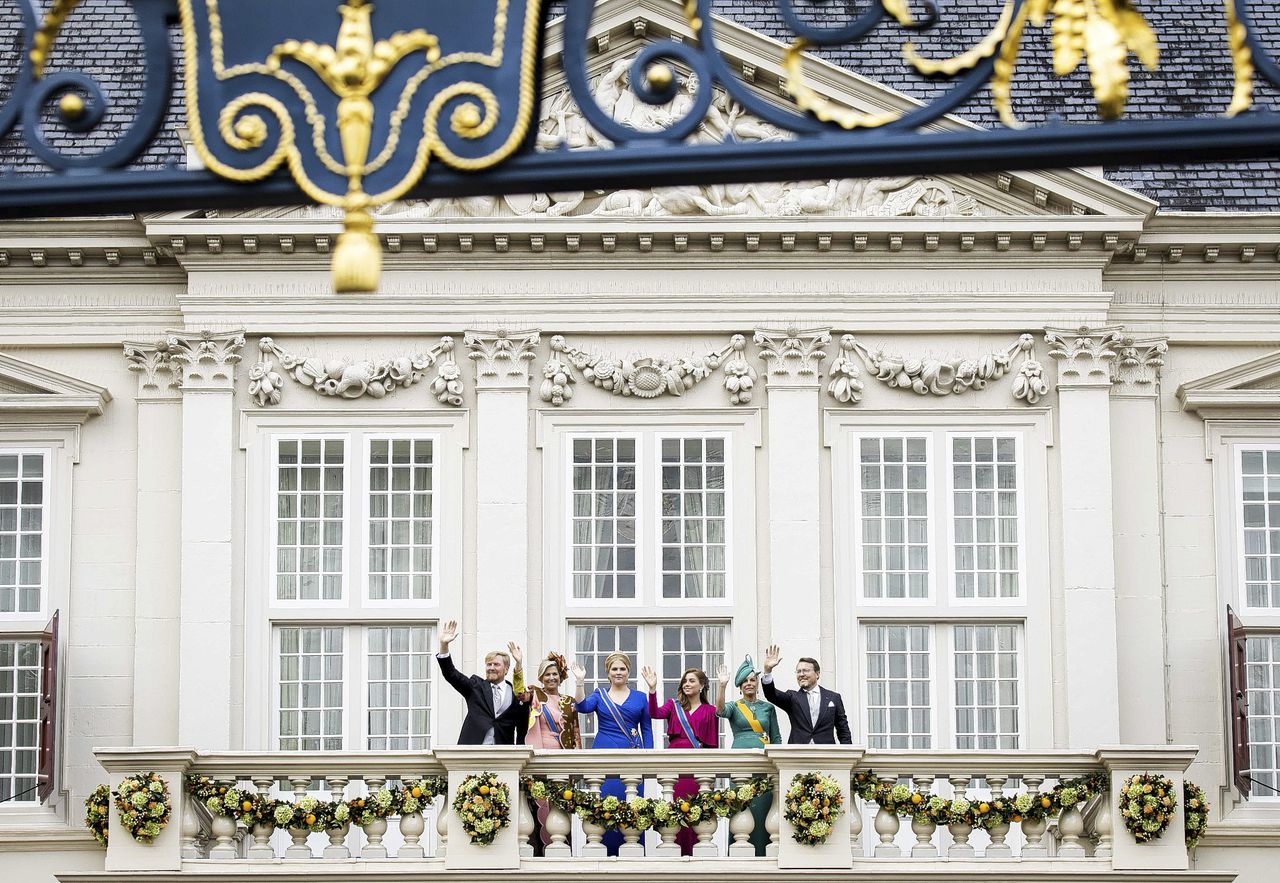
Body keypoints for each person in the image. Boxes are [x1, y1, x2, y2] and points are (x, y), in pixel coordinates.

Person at [573, 652, 652, 856]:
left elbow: (647, 730)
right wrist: (580, 682)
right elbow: (582, 707)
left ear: (628, 672)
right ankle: (602, 856)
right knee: (604, 807)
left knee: (632, 807)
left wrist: (649, 757)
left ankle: (632, 857)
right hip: (604, 755)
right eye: (614, 669)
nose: (619, 672)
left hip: (632, 757)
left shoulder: (640, 698)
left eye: (622, 668)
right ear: (608, 673)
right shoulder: (600, 694)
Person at [644, 665, 718, 856]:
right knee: (675, 808)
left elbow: (712, 745)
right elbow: (654, 713)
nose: (687, 684)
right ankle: (675, 854)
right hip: (675, 762)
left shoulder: (710, 710)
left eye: (692, 680)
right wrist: (652, 690)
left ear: (701, 685)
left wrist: (712, 775)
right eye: (685, 681)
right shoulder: (673, 705)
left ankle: (695, 856)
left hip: (697, 763)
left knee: (695, 811)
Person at [514, 651, 580, 855]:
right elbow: (519, 693)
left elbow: (576, 731)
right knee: (538, 802)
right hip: (540, 756)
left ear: (560, 677)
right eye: (547, 674)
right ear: (541, 677)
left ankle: (562, 852)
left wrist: (578, 759)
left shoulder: (568, 701)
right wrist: (518, 665)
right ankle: (538, 853)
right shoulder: (535, 694)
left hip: (563, 758)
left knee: (561, 803)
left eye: (554, 674)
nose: (551, 678)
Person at [717, 656, 782, 855]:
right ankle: (739, 853)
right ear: (739, 685)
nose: (749, 683)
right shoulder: (735, 706)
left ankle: (764, 853)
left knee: (763, 810)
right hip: (741, 763)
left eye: (752, 679)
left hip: (764, 765)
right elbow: (719, 710)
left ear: (757, 684)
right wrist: (721, 686)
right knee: (742, 807)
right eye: (745, 681)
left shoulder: (767, 708)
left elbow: (776, 737)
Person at [435, 620, 528, 745]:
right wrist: (444, 645)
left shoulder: (516, 694)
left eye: (496, 664)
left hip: (503, 756)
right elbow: (451, 674)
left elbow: (522, 730)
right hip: (473, 753)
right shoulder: (475, 686)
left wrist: (519, 664)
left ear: (506, 669)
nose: (491, 668)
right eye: (488, 664)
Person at [760, 643, 851, 744]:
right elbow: (771, 695)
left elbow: (843, 730)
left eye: (806, 671)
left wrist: (848, 755)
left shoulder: (833, 698)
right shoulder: (792, 697)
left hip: (825, 754)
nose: (801, 674)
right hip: (798, 754)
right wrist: (767, 671)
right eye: (798, 671)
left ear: (817, 674)